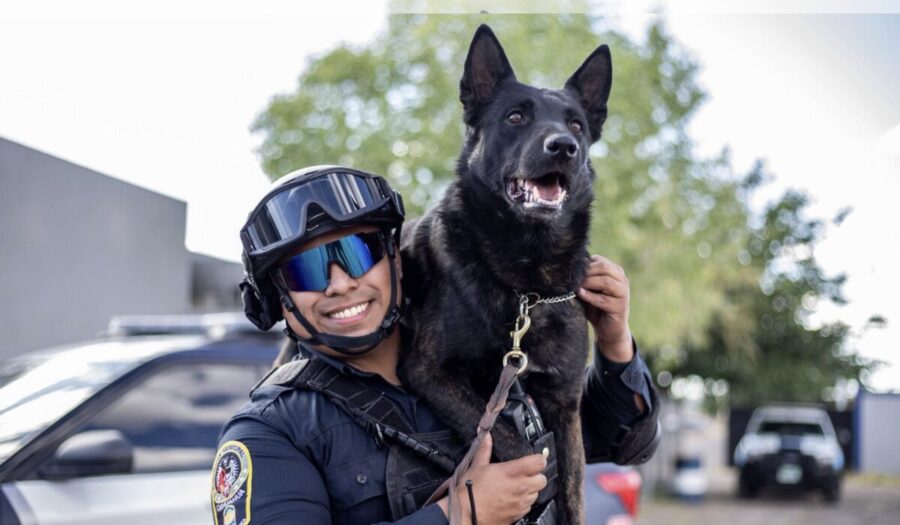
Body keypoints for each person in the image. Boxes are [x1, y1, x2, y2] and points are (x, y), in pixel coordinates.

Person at [211, 165, 659, 525]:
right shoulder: (270, 432)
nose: (340, 284)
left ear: (395, 260)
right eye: (305, 272)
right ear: (277, 301)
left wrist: (615, 341)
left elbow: (626, 445)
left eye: (357, 254)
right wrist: (458, 516)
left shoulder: (482, 364)